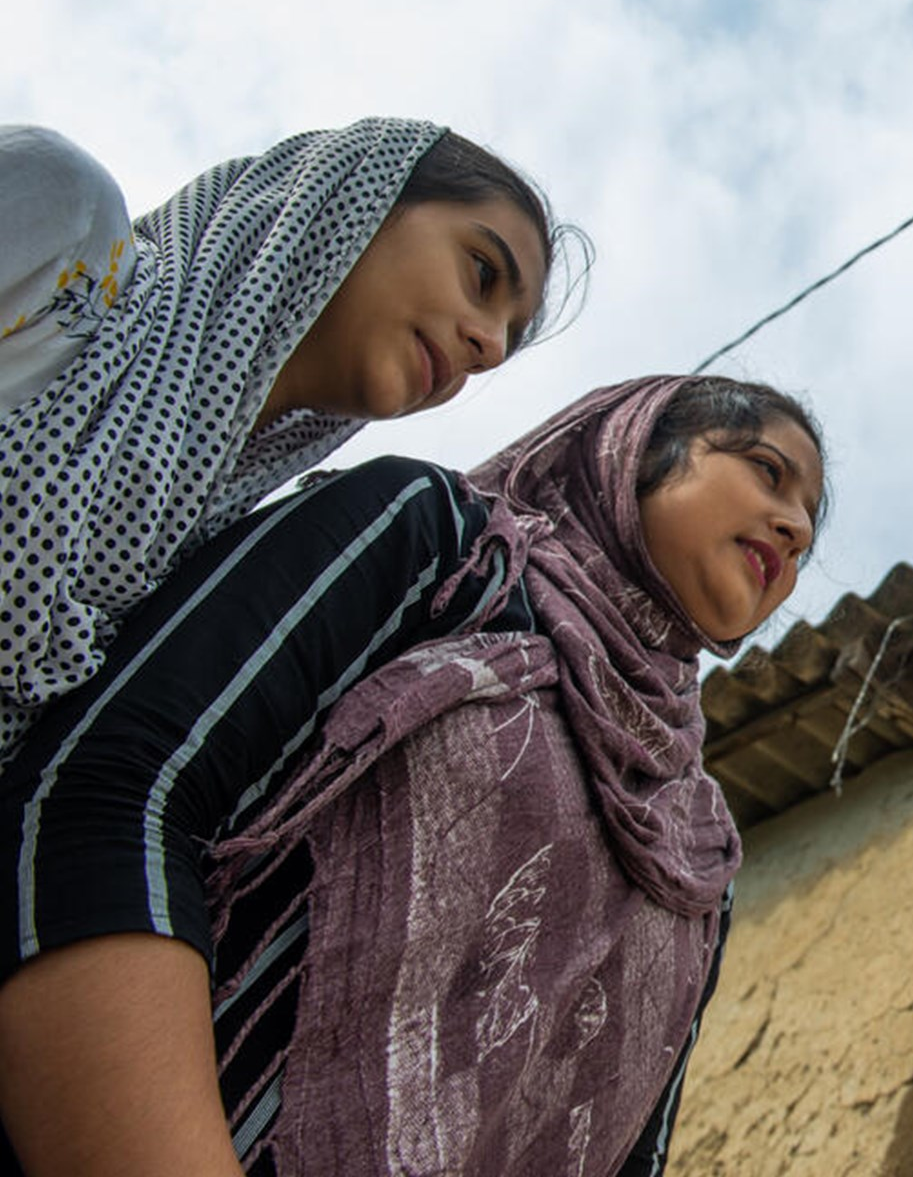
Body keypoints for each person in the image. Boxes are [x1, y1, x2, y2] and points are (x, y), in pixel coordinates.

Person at [0, 373, 822, 1176]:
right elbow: (107, 790)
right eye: (767, 471)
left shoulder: (700, 852)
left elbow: (633, 1152)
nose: (792, 530)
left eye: (809, 529)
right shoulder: (444, 551)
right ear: (637, 446)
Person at [0, 118, 572, 763]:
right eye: (481, 271)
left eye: (502, 344)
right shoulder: (66, 217)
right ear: (362, 195)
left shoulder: (216, 555)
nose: (489, 346)